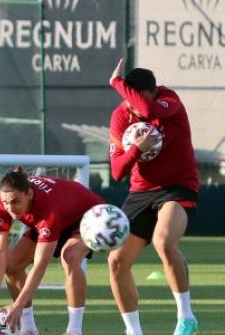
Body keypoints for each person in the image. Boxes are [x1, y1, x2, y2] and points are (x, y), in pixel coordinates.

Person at [107, 59, 199, 335]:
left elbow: (147, 108)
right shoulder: (121, 116)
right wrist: (135, 149)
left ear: (153, 92)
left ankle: (186, 318)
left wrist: (117, 82)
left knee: (163, 241)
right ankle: (134, 331)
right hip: (141, 192)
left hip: (177, 187)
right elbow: (116, 171)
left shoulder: (169, 100)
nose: (135, 109)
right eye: (129, 101)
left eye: (138, 99)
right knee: (116, 261)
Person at [0, 170, 105, 335]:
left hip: (90, 215)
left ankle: (74, 331)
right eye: (6, 202)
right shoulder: (1, 206)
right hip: (55, 215)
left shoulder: (47, 209)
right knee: (12, 266)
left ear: (30, 194)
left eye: (15, 201)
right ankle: (29, 329)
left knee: (69, 257)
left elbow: (40, 266)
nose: (10, 208)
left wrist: (17, 304)